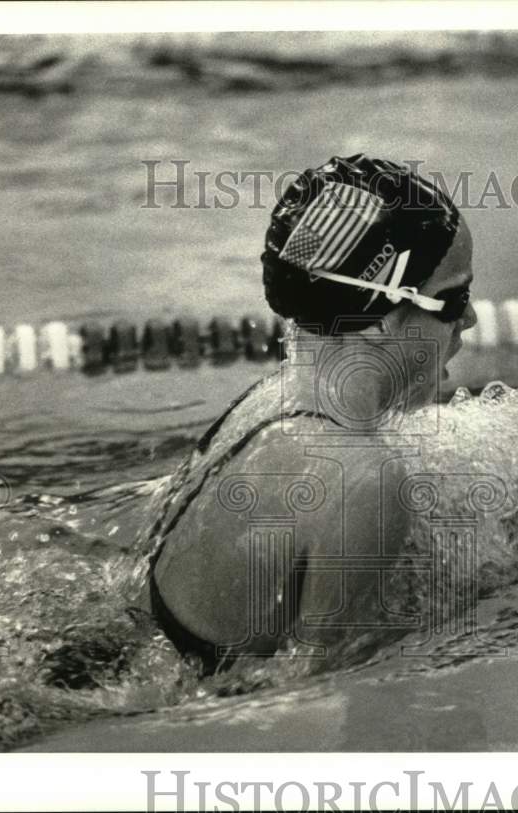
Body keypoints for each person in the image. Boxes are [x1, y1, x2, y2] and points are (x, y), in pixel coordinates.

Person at [144, 154, 477, 672]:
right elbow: (317, 703)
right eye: (454, 300)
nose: (471, 319)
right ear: (383, 315)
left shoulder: (267, 404)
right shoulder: (362, 477)